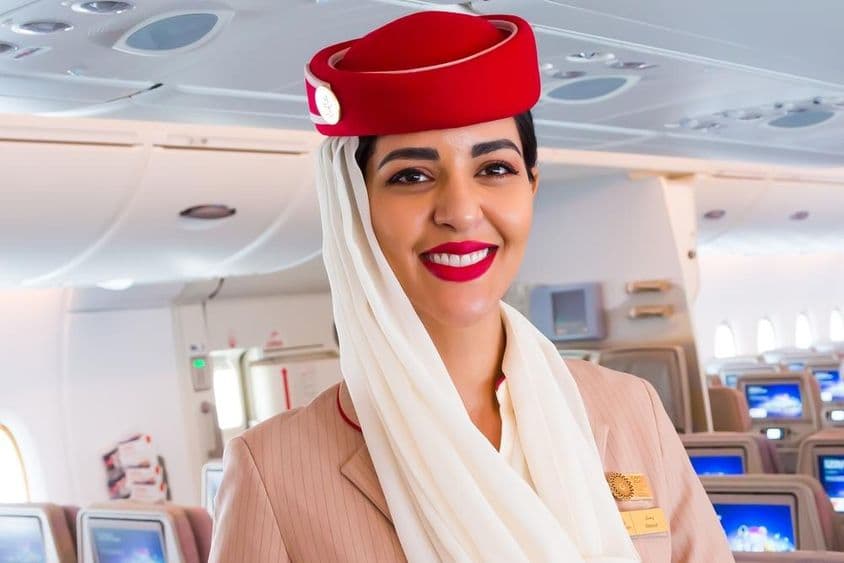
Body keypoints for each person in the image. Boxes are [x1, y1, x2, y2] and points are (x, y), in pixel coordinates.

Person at [209, 11, 732, 563]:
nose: (460, 211)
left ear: (532, 185)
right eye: (411, 176)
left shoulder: (629, 411)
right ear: (354, 206)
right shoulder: (273, 472)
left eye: (495, 169)